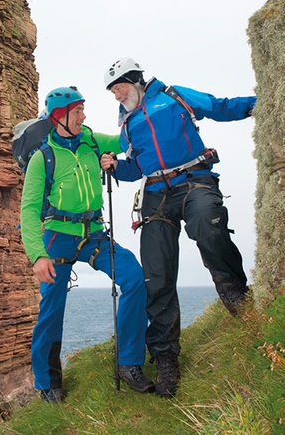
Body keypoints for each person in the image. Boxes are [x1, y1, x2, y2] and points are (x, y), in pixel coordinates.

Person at [101, 58, 256, 398]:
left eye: (118, 88)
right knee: (156, 274)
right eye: (112, 92)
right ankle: (165, 356)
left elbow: (218, 107)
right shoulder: (127, 124)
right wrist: (115, 166)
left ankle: (234, 293)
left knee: (207, 223)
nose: (116, 96)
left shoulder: (172, 95)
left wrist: (261, 103)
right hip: (156, 195)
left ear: (134, 80)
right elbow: (137, 169)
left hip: (194, 179)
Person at [20, 85, 153, 403]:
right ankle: (47, 382)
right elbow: (28, 211)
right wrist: (38, 255)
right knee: (52, 307)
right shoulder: (43, 159)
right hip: (58, 236)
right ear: (60, 117)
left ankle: (129, 363)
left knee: (134, 278)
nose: (84, 115)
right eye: (78, 111)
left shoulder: (92, 141)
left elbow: (124, 141)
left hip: (94, 233)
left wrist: (136, 115)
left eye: (82, 109)